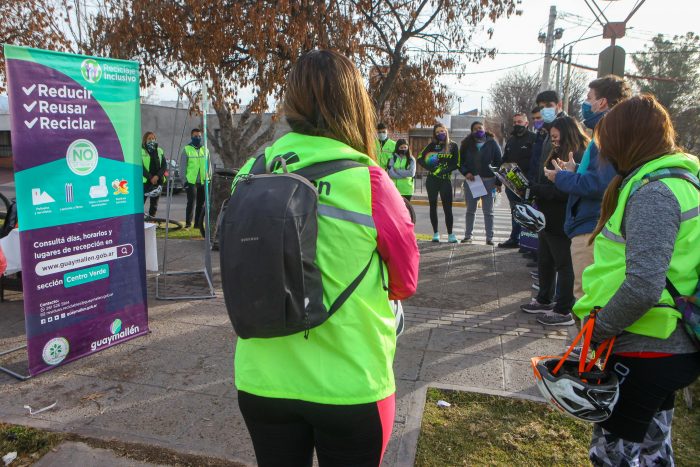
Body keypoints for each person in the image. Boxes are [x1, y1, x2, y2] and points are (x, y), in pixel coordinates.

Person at [230, 49, 419, 467]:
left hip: (262, 380)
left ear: (292, 102)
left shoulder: (250, 171)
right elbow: (405, 281)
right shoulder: (369, 180)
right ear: (354, 104)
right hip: (350, 384)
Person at [572, 94, 700, 466]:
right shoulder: (679, 181)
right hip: (664, 346)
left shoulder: (655, 193)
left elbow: (643, 284)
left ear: (629, 141)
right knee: (652, 452)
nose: (604, 153)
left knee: (613, 456)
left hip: (647, 345)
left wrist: (596, 330)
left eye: (608, 143)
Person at [544, 75, 631, 299]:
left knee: (585, 296)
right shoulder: (610, 131)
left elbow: (599, 184)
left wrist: (561, 178)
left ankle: (587, 335)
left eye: (589, 97)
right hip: (592, 224)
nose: (586, 103)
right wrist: (576, 171)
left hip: (591, 227)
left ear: (602, 102)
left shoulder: (608, 133)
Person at [521, 116, 589, 326]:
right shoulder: (557, 151)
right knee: (545, 260)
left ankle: (563, 308)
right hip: (547, 217)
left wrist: (538, 188)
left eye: (556, 137)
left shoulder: (576, 154)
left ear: (567, 134)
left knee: (563, 264)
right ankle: (544, 298)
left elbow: (567, 189)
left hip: (562, 217)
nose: (553, 141)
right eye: (551, 138)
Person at [459, 121, 503, 245]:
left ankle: (490, 238)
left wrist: (498, 182)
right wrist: (466, 172)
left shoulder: (492, 143)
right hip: (472, 181)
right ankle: (468, 236)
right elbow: (460, 162)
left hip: (489, 181)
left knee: (488, 212)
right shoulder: (466, 144)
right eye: (475, 128)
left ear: (484, 129)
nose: (478, 130)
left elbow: (499, 162)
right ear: (472, 131)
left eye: (480, 128)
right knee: (470, 210)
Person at [499, 112, 537, 248]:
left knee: (528, 212)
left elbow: (537, 162)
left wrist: (532, 182)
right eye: (515, 122)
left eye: (519, 122)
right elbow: (505, 160)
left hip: (528, 183)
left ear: (526, 124)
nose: (517, 125)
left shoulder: (534, 139)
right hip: (512, 183)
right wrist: (498, 178)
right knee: (515, 211)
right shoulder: (511, 140)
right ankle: (514, 239)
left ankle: (527, 242)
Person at [417, 124, 460, 243]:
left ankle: (451, 234)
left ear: (446, 131)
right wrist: (431, 169)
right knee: (433, 206)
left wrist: (443, 170)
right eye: (437, 132)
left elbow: (456, 163)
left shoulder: (453, 145)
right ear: (435, 134)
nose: (440, 133)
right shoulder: (431, 145)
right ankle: (435, 233)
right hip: (432, 180)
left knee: (448, 208)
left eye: (442, 131)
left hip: (445, 180)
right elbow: (420, 158)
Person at [180, 128, 209, 229]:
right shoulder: (186, 149)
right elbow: (182, 167)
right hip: (191, 181)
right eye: (196, 136)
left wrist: (208, 179)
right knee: (191, 202)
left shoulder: (205, 150)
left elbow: (208, 166)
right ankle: (188, 223)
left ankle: (197, 224)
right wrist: (184, 181)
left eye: (199, 136)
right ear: (192, 137)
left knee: (201, 204)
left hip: (203, 181)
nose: (198, 138)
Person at [141, 131, 166, 217]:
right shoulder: (140, 151)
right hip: (145, 181)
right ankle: (139, 221)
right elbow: (141, 167)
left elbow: (164, 166)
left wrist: (157, 177)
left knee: (154, 203)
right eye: (149, 139)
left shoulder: (160, 150)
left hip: (158, 181)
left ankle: (152, 220)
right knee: (140, 202)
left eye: (153, 138)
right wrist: (151, 177)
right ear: (145, 140)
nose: (151, 140)